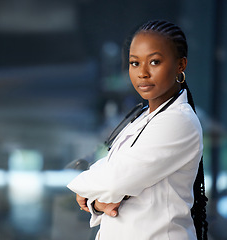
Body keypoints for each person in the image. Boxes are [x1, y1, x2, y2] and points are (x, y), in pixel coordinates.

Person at [67, 20, 208, 240]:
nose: (142, 73)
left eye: (154, 61)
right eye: (135, 63)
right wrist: (97, 200)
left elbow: (115, 180)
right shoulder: (143, 117)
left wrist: (84, 189)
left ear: (180, 65)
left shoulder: (178, 121)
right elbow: (113, 169)